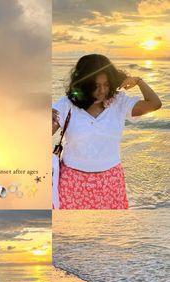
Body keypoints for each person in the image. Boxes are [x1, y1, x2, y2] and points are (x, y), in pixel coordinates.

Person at [52, 54, 162, 209]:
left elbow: (155, 104)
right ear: (83, 83)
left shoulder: (119, 102)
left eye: (106, 84)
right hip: (72, 182)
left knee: (111, 231)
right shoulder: (67, 104)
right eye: (95, 85)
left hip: (110, 181)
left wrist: (138, 81)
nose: (101, 91)